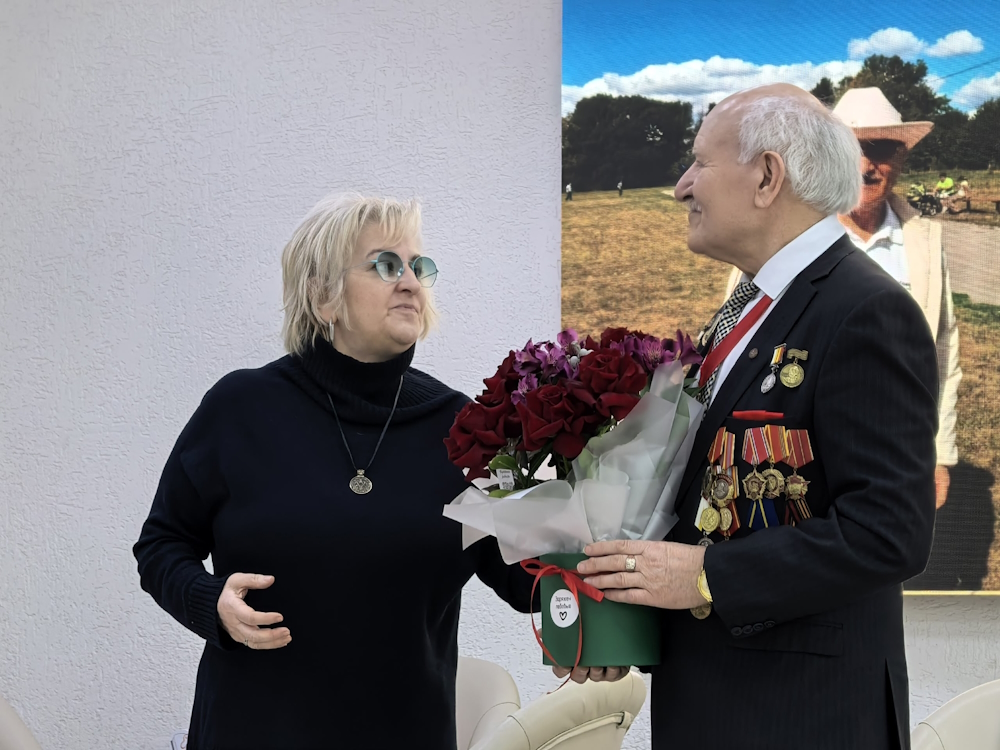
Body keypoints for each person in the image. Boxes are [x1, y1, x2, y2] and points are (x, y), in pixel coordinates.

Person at [560, 85, 939, 749]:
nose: (681, 187)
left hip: (800, 721)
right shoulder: (752, 306)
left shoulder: (863, 310)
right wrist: (624, 610)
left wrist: (706, 577)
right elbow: (707, 502)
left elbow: (889, 531)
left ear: (767, 177)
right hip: (720, 707)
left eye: (700, 163)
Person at [133, 194, 534, 750]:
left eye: (419, 267)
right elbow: (161, 544)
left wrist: (597, 609)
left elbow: (528, 575)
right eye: (385, 265)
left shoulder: (464, 429)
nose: (410, 283)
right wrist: (210, 602)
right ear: (323, 296)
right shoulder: (240, 408)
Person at [832, 87, 961, 507]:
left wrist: (939, 453)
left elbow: (943, 349)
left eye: (881, 149)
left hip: (898, 445)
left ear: (901, 157)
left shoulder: (923, 238)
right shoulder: (786, 234)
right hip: (804, 446)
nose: (865, 165)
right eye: (850, 148)